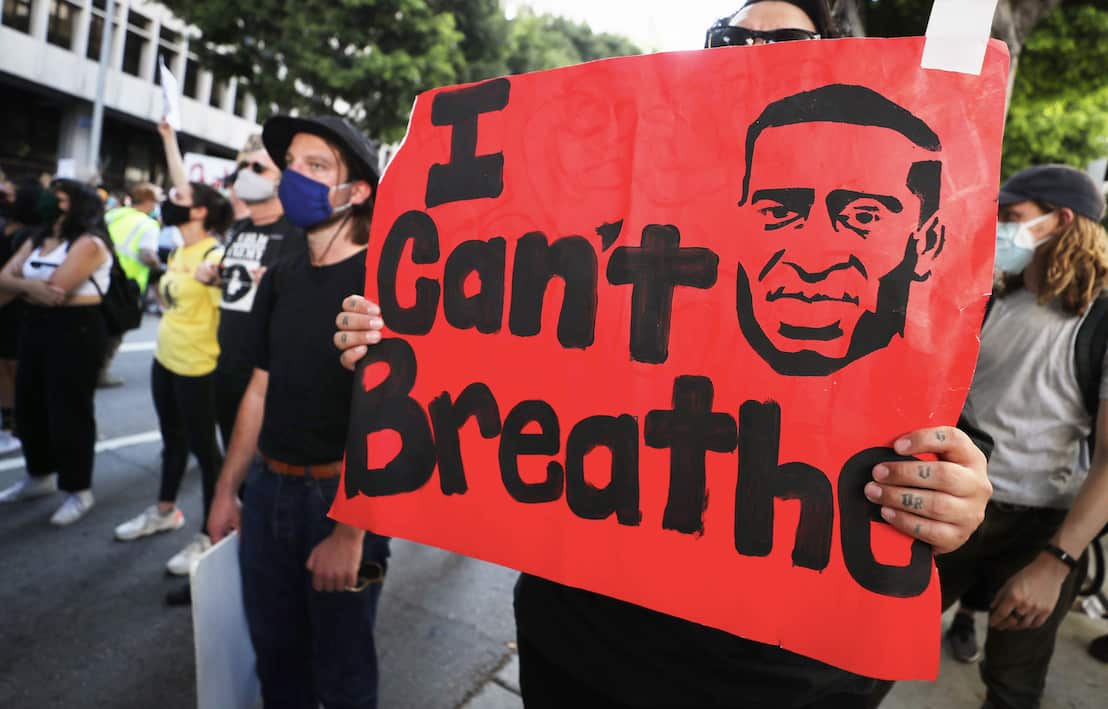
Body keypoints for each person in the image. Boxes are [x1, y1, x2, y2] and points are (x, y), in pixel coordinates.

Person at [333, 2, 993, 707]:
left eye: (861, 217)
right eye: (732, 41)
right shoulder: (615, 233)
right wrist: (402, 339)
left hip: (778, 687)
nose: (813, 255)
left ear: (923, 242)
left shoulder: (918, 330)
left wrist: (956, 497)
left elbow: (951, 448)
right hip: (579, 649)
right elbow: (511, 357)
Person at [206, 114, 390, 709]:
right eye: (291, 165)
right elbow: (259, 390)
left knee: (344, 677)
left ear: (355, 191)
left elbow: (390, 418)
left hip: (338, 499)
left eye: (317, 166)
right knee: (277, 663)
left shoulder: (383, 281)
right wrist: (228, 491)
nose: (294, 178)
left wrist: (351, 531)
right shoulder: (283, 275)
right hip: (266, 493)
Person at [932, 164, 1108, 709]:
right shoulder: (992, 300)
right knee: (869, 660)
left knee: (1012, 686)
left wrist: (1056, 563)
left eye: (1013, 216)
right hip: (954, 505)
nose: (1001, 229)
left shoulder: (1098, 321)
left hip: (1038, 527)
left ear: (1062, 221)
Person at [164, 134, 304, 607]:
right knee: (233, 473)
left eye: (258, 167)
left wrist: (282, 285)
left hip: (269, 380)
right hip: (228, 370)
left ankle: (262, 579)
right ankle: (223, 566)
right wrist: (216, 274)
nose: (246, 173)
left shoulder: (299, 233)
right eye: (243, 165)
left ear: (283, 179)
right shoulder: (243, 229)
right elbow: (238, 281)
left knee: (264, 483)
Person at [113, 120, 232, 578]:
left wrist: (219, 281)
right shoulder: (181, 249)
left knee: (206, 452)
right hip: (166, 361)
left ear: (200, 212)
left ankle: (210, 535)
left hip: (200, 368)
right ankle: (165, 511)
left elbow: (233, 313)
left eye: (180, 198)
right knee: (172, 443)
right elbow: (184, 185)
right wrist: (168, 138)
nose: (170, 199)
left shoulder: (215, 258)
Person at [0, 179, 112, 525]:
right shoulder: (37, 237)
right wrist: (30, 288)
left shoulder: (90, 243)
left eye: (59, 198)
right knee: (30, 405)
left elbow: (54, 290)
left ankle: (78, 489)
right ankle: (39, 474)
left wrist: (21, 286)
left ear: (77, 205)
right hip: (35, 326)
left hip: (76, 330)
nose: (50, 203)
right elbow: (5, 279)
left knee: (69, 411)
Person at [99, 182, 164, 388]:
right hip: (127, 285)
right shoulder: (148, 224)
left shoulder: (113, 214)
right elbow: (147, 255)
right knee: (116, 329)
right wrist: (161, 268)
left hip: (100, 277)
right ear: (149, 201)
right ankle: (100, 373)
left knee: (97, 325)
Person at [0, 179, 45, 455]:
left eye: (12, 194)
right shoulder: (12, 229)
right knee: (6, 370)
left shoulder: (29, 235)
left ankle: (18, 427)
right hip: (10, 310)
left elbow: (16, 278)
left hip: (15, 310)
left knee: (15, 371)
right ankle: (10, 426)